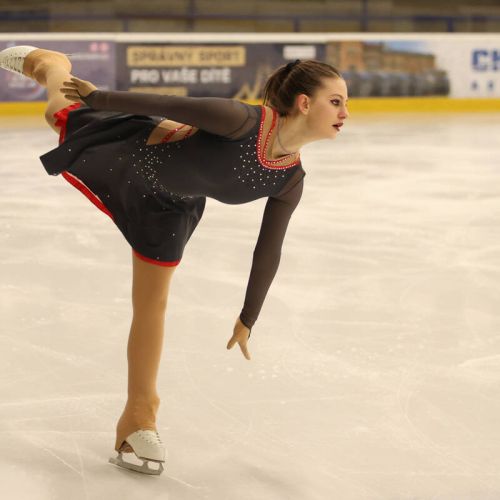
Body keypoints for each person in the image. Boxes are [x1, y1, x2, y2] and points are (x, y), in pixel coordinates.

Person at [0, 46, 349, 475]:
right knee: (60, 112)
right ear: (305, 103)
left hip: (169, 209)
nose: (345, 113)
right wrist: (98, 98)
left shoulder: (289, 178)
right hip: (134, 154)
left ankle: (138, 418)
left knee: (152, 305)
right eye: (337, 101)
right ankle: (50, 64)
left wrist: (248, 317)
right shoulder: (242, 121)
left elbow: (268, 248)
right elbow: (167, 104)